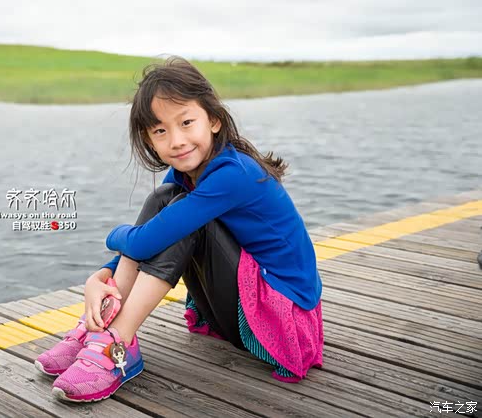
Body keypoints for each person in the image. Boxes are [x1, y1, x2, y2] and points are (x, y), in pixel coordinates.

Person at [34, 56, 324, 403]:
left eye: (186, 122)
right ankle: (97, 328)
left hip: (281, 320)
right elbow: (150, 238)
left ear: (213, 120)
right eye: (161, 131)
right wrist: (102, 276)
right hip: (238, 309)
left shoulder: (233, 174)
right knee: (166, 199)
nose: (176, 140)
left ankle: (118, 344)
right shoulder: (184, 176)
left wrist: (112, 236)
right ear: (149, 140)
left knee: (185, 219)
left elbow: (145, 241)